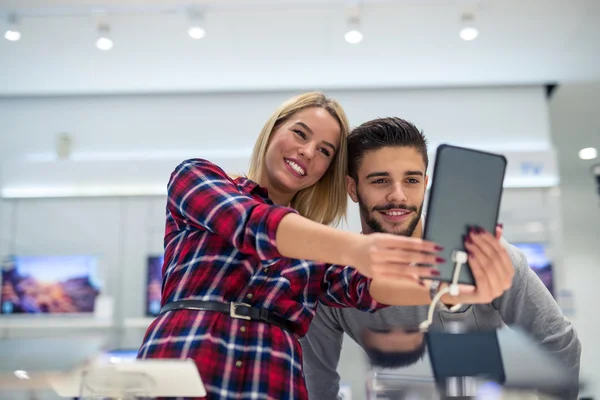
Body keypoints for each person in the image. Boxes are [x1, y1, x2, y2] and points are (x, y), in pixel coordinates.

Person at [136, 94, 513, 400]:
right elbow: (251, 224)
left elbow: (366, 286)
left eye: (324, 151)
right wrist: (355, 249)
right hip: (183, 356)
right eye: (300, 134)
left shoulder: (318, 247)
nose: (307, 152)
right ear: (273, 130)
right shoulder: (198, 177)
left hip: (271, 378)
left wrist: (453, 287)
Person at [300, 117, 581, 400]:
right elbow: (315, 378)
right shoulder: (335, 278)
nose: (397, 196)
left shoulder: (483, 255)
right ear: (352, 188)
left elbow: (557, 341)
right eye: (380, 180)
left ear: (425, 183)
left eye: (411, 180)